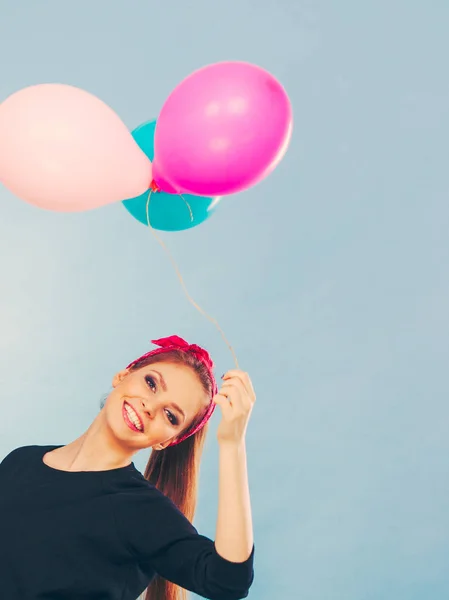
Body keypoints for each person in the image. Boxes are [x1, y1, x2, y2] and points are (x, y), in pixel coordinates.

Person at [0, 335, 256, 600]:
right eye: (151, 383)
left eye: (171, 416)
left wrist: (232, 443)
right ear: (122, 376)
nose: (150, 406)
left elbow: (227, 581)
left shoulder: (142, 511)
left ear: (167, 441)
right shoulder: (20, 462)